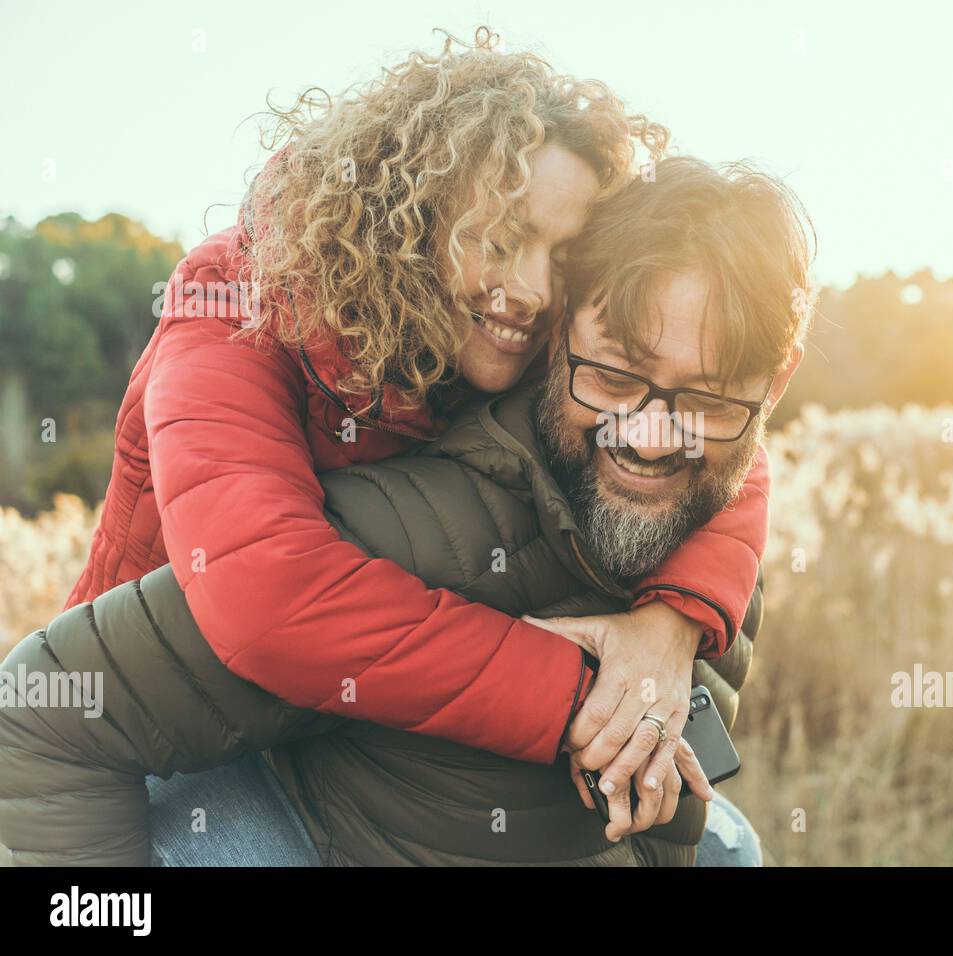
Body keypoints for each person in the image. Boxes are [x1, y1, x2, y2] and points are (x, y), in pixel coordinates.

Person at [0, 157, 812, 866]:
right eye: (617, 374)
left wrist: (674, 622)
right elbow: (70, 697)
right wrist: (566, 695)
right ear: (561, 332)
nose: (653, 435)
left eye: (708, 399)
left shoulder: (710, 491)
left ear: (769, 391)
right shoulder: (245, 331)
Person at [63, 29, 770, 792]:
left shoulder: (516, 335)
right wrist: (575, 697)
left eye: (565, 260)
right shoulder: (233, 303)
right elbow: (267, 597)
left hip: (346, 733)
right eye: (500, 240)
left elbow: (728, 449)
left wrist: (667, 627)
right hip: (155, 729)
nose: (530, 291)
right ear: (410, 214)